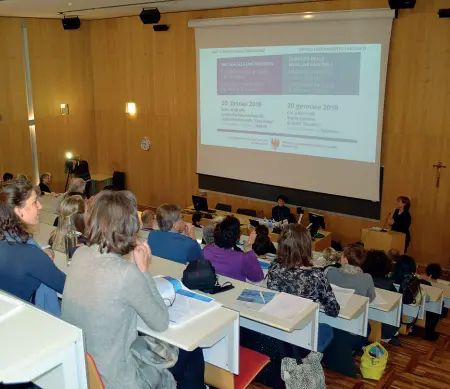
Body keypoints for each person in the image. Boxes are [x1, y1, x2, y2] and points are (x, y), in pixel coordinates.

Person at [61, 191, 206, 389]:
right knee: (191, 352)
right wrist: (143, 270)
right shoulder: (126, 274)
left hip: (84, 369)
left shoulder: (79, 255)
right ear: (128, 226)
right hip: (120, 379)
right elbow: (160, 322)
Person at [268, 224, 339, 347]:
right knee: (329, 329)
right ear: (306, 246)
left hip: (279, 326)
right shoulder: (316, 275)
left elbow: (273, 291)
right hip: (302, 333)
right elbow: (333, 311)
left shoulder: (274, 266)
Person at [0, 180, 65, 302]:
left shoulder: (10, 242)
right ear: (19, 211)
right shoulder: (30, 255)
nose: (40, 206)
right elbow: (67, 287)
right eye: (35, 202)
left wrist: (40, 254)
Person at [324, 244, 375, 377]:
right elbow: (370, 299)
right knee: (367, 328)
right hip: (352, 326)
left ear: (345, 259)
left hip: (329, 320)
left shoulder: (330, 272)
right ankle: (351, 353)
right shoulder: (367, 278)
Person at [203, 216, 264, 282]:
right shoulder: (242, 258)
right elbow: (258, 278)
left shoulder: (206, 250)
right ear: (236, 237)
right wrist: (249, 249)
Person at [362, 250, 400, 344]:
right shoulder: (390, 287)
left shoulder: (359, 281)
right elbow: (396, 319)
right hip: (383, 333)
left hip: (358, 328)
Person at [420, 263, 448, 341]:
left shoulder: (423, 283)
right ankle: (430, 334)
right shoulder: (443, 286)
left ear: (428, 273)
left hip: (422, 309)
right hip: (435, 312)